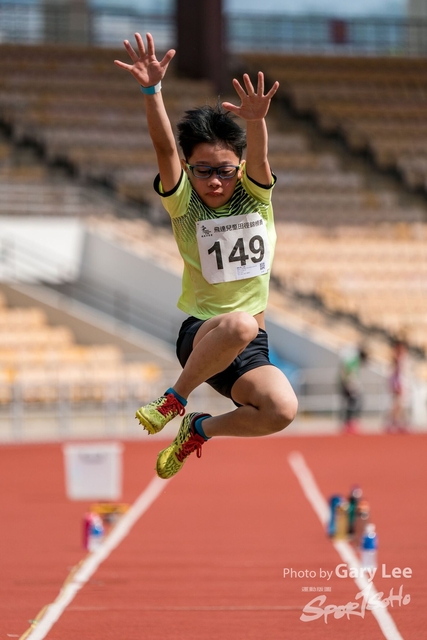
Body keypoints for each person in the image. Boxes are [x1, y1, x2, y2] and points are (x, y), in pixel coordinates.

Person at [114, 33, 298, 479]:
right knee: (238, 321)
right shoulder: (184, 204)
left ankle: (199, 429)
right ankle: (174, 398)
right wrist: (151, 90)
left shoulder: (255, 198)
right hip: (202, 334)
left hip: (250, 346)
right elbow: (163, 148)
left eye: (224, 171)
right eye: (203, 171)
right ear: (190, 170)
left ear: (239, 168)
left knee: (281, 410)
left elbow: (260, 156)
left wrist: (256, 122)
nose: (215, 181)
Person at [338, 344, 368, 435]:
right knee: (353, 403)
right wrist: (347, 383)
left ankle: (350, 423)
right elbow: (346, 370)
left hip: (349, 384)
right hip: (349, 384)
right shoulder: (353, 360)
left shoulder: (354, 360)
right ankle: (349, 423)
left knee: (353, 403)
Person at [385, 339, 411, 433]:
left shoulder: (402, 357)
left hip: (401, 382)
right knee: (398, 404)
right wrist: (398, 385)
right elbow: (397, 372)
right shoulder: (398, 358)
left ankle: (399, 422)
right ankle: (393, 422)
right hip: (399, 382)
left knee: (400, 404)